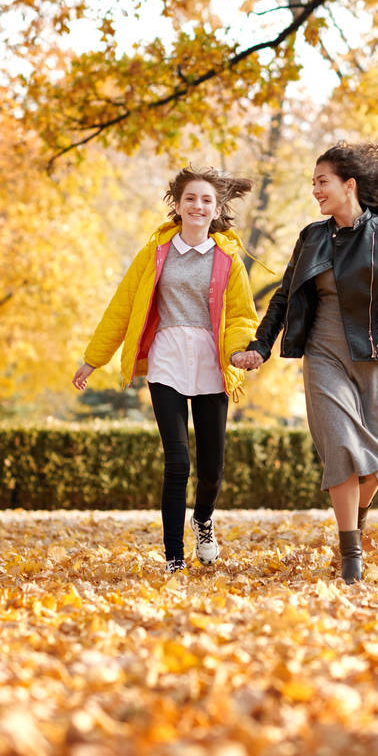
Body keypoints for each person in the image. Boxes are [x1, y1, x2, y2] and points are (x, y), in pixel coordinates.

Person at [232, 142, 378, 584]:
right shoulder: (312, 236)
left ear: (349, 185)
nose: (315, 190)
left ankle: (356, 525)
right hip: (323, 354)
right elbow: (285, 296)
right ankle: (352, 559)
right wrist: (261, 345)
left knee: (374, 463)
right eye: (312, 183)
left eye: (322, 181)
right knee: (343, 448)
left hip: (376, 355)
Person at [73, 166, 259, 573]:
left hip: (212, 363)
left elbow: (243, 316)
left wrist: (238, 352)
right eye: (190, 198)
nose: (198, 205)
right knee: (177, 463)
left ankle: (204, 521)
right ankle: (174, 558)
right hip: (167, 359)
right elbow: (122, 307)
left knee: (212, 468)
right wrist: (94, 358)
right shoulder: (155, 252)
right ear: (177, 205)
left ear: (216, 209)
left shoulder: (229, 260)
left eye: (206, 200)